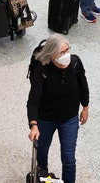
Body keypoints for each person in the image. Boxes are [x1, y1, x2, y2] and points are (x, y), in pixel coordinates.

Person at [27, 34, 90, 183]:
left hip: (69, 119)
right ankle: (43, 177)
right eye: (61, 52)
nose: (66, 55)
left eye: (67, 50)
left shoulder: (75, 63)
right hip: (45, 119)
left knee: (69, 160)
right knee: (42, 155)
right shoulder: (43, 69)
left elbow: (83, 86)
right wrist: (33, 125)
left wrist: (85, 107)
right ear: (51, 54)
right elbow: (33, 100)